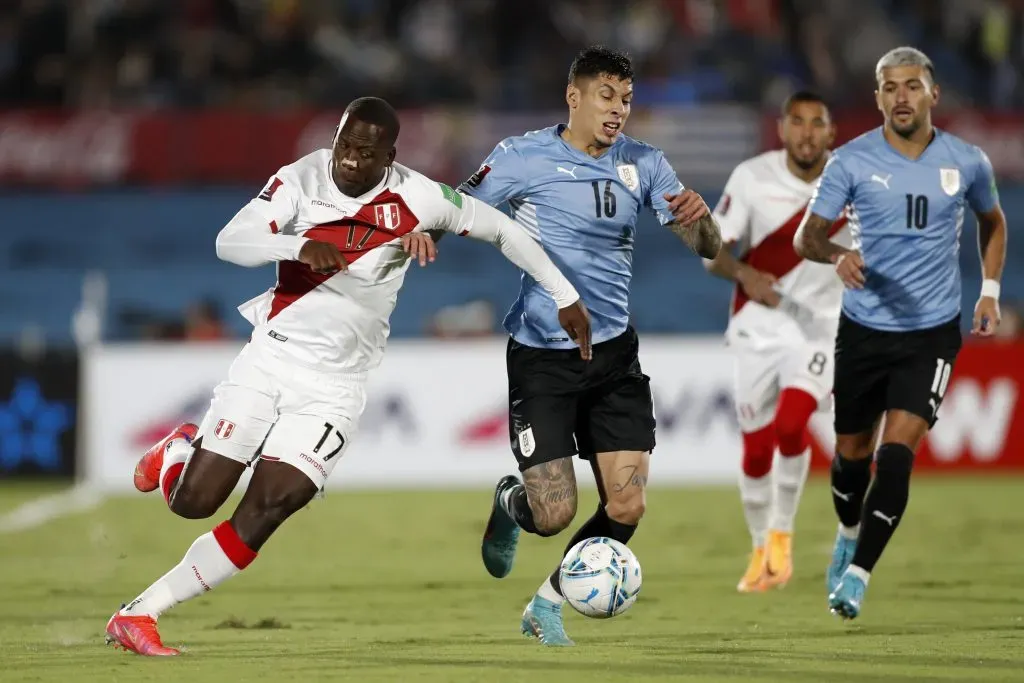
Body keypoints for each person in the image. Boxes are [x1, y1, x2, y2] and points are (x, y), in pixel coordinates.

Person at [104, 96, 592, 656]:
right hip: (271, 361)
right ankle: (178, 451)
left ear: (391, 155)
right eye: (344, 146)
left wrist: (565, 294)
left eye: (366, 152)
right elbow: (229, 241)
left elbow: (504, 231)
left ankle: (140, 614)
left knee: (269, 508)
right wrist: (296, 244)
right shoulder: (300, 179)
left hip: (336, 389)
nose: (350, 161)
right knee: (193, 502)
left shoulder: (420, 196)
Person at [457, 45, 721, 647]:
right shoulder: (521, 157)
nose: (618, 110)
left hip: (613, 358)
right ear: (574, 97)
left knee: (627, 508)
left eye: (626, 99)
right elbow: (458, 208)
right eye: (606, 96)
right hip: (543, 358)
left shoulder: (646, 163)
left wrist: (702, 218)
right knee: (551, 515)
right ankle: (511, 500)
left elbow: (705, 245)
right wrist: (417, 237)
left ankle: (544, 606)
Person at [794, 47, 1007, 620]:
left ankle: (858, 576)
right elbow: (806, 239)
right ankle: (846, 530)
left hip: (931, 334)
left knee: (895, 457)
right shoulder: (850, 162)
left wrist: (988, 290)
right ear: (878, 97)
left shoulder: (967, 162)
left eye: (912, 85)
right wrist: (838, 255)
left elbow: (993, 221)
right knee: (849, 460)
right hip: (863, 331)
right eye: (890, 88)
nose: (902, 97)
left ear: (934, 93)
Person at [705, 91, 850, 593]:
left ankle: (783, 536)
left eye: (818, 123)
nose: (808, 132)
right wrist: (744, 273)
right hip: (757, 328)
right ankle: (760, 547)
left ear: (831, 133)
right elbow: (711, 252)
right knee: (755, 450)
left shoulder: (853, 181)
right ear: (782, 130)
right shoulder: (752, 176)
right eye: (798, 122)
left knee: (793, 424)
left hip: (819, 327)